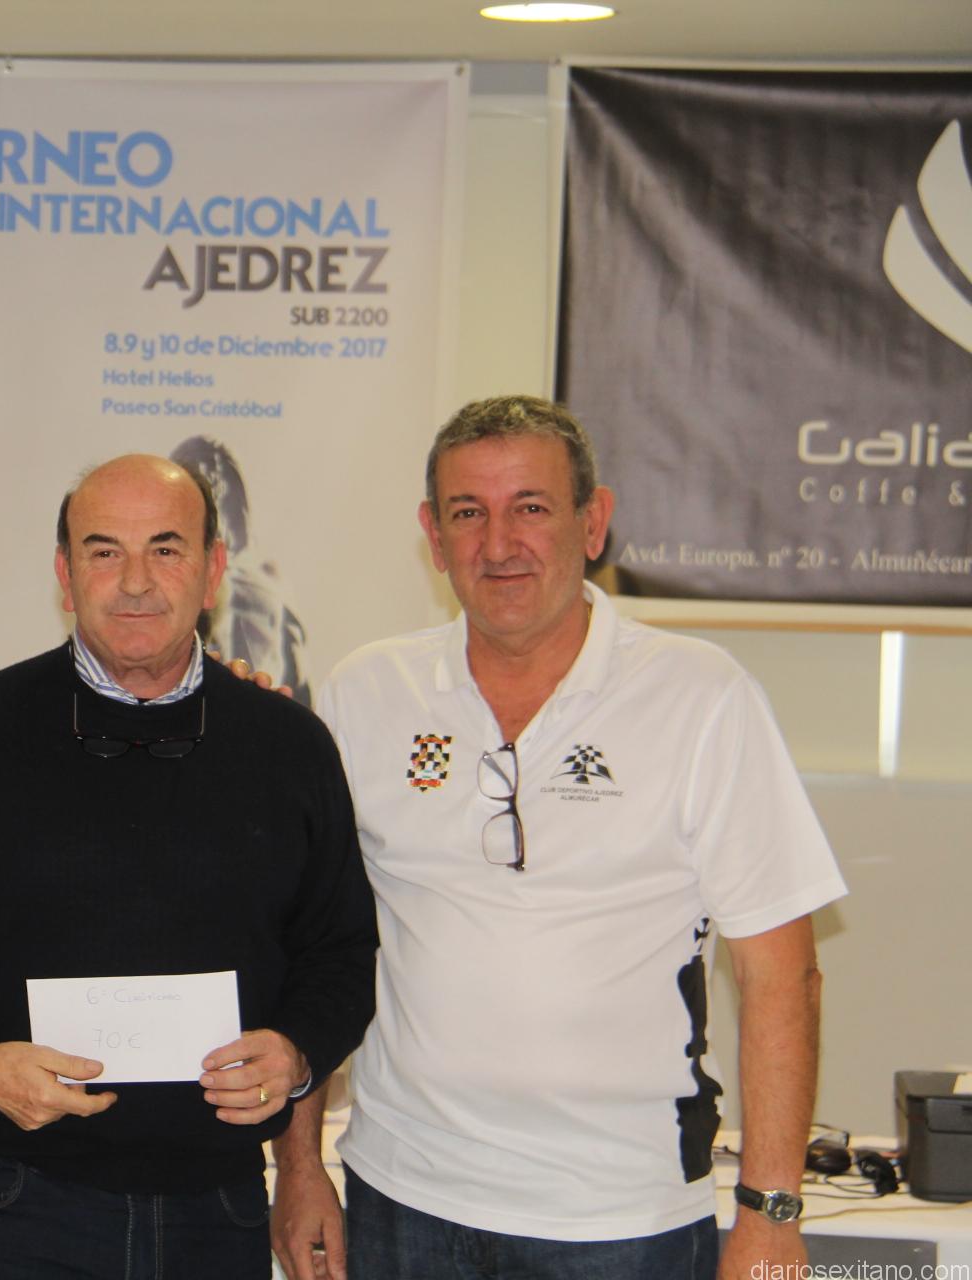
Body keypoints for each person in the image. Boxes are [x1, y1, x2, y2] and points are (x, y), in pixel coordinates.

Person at [271, 395, 846, 1280]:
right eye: (469, 513)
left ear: (593, 522)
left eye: (530, 507)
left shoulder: (700, 697)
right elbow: (315, 949)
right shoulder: (366, 692)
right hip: (403, 1198)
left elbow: (782, 975)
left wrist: (771, 1212)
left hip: (623, 1216)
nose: (499, 544)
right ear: (433, 536)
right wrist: (301, 1165)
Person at [0, 453, 378, 1279]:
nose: (135, 581)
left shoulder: (289, 746)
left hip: (219, 1207)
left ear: (213, 571)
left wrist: (299, 1051)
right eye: (104, 551)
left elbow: (339, 954)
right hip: (10, 1198)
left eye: (166, 549)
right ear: (65, 574)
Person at [170, 434, 314, 704]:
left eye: (223, 491)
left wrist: (290, 717)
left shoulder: (270, 584)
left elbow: (301, 686)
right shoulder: (165, 595)